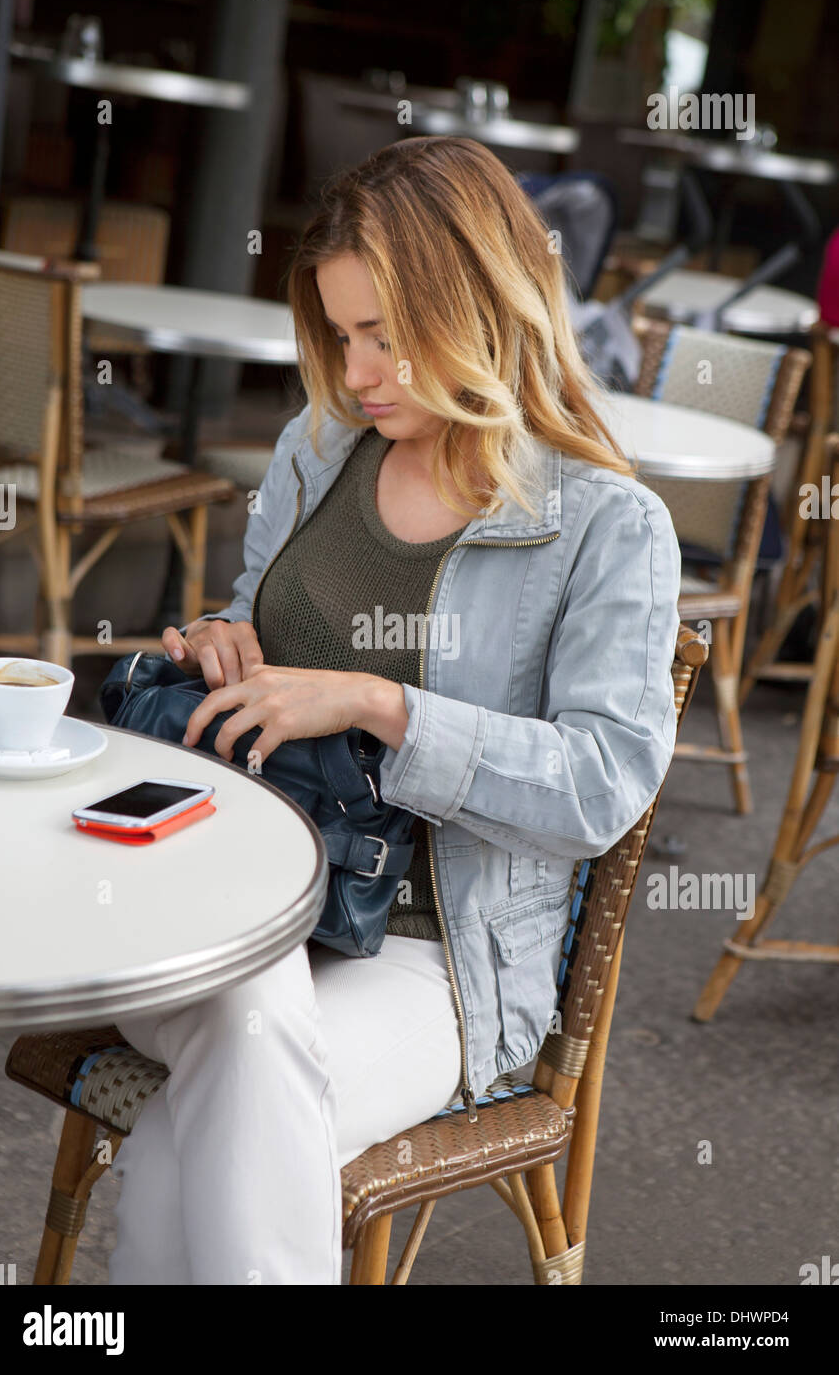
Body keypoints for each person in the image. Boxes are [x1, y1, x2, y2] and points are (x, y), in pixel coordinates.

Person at [108, 135, 681, 1285]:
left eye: (383, 335)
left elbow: (602, 785)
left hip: (435, 956)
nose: (355, 370)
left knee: (193, 1126)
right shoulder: (317, 449)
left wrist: (380, 704)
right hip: (229, 899)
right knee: (244, 1051)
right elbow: (255, 627)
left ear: (475, 305)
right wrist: (228, 642)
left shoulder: (605, 526)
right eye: (339, 334)